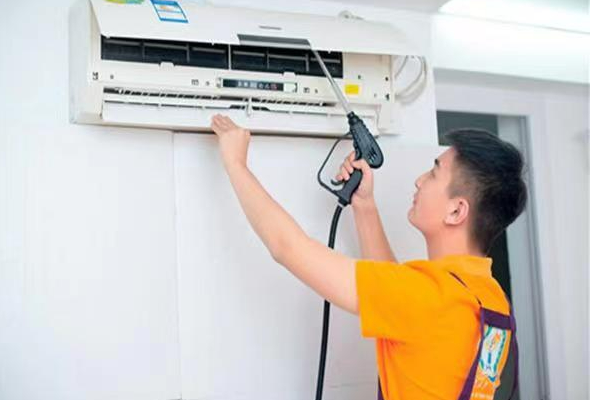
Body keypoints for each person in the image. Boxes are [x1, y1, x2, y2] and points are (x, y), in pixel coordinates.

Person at [209, 113, 527, 400]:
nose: (419, 180)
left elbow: (288, 248)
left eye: (434, 172)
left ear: (456, 211)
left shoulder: (429, 296)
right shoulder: (489, 298)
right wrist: (365, 205)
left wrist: (236, 164)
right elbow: (399, 300)